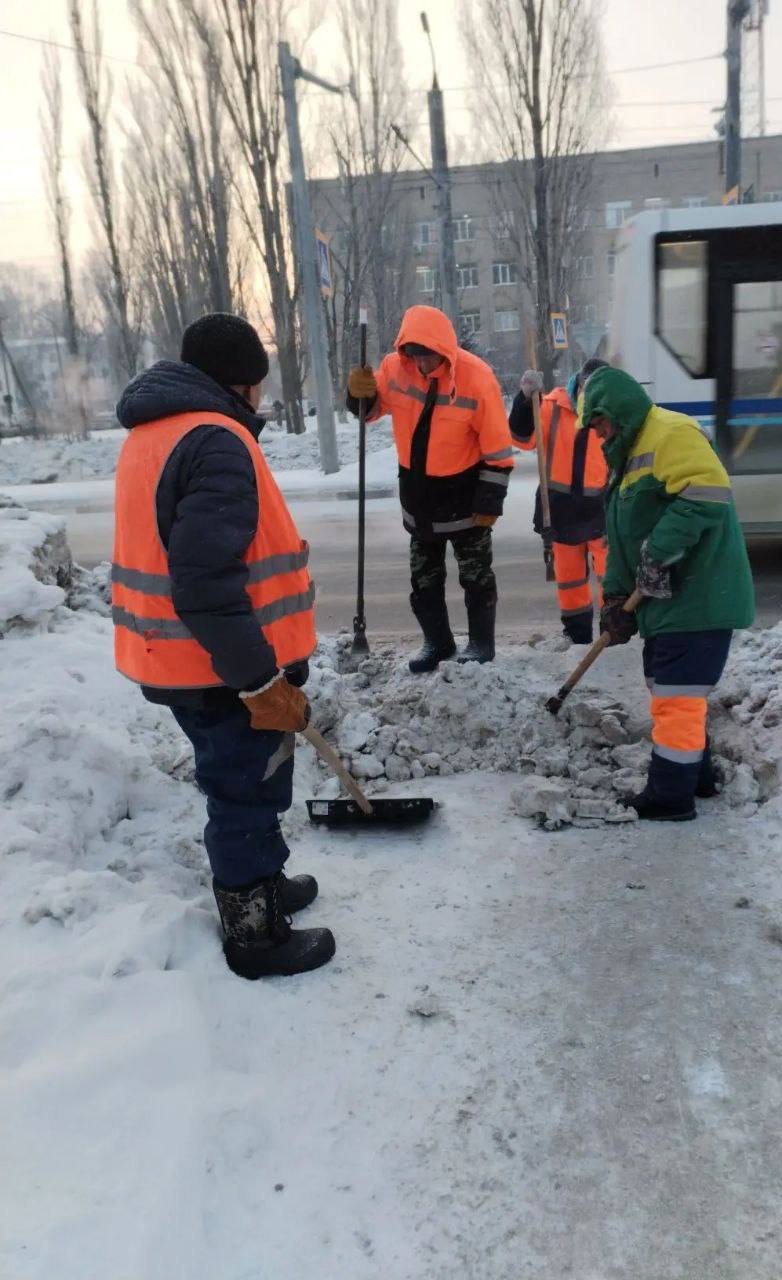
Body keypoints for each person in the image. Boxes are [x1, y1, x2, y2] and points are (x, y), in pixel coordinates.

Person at [112, 313, 335, 979]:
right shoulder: (215, 441)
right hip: (218, 665)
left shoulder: (156, 432)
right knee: (245, 790)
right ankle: (255, 935)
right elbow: (206, 581)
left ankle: (263, 884)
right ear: (241, 385)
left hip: (186, 657)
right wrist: (259, 679)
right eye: (259, 386)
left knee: (249, 780)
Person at [581, 366, 755, 822]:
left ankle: (669, 796)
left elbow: (708, 491)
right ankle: (697, 777)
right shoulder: (625, 458)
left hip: (698, 595)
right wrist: (615, 602)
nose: (598, 433)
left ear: (618, 410)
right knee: (671, 687)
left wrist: (658, 552)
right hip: (668, 602)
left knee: (676, 695)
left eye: (600, 422)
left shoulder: (671, 432)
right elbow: (621, 540)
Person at [347, 305, 514, 670]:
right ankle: (437, 643)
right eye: (414, 354)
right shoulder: (395, 368)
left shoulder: (477, 377)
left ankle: (481, 644)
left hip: (466, 498)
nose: (421, 363)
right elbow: (371, 410)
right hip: (419, 498)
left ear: (444, 349)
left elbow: (499, 450)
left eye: (428, 354)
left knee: (476, 577)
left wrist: (490, 500)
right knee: (424, 579)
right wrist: (359, 395)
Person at [508, 358, 610, 643]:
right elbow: (520, 436)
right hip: (561, 511)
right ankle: (577, 637)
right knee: (570, 582)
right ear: (577, 384)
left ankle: (612, 636)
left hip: (603, 512)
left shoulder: (612, 412)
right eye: (586, 390)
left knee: (610, 580)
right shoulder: (551, 407)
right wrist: (525, 399)